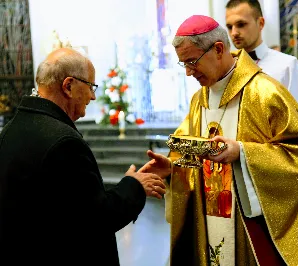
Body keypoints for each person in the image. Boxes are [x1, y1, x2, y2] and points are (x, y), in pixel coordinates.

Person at [158, 14, 298, 266]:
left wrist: (242, 153)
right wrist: (172, 169)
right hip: (210, 219)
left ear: (218, 49)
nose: (188, 72)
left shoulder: (265, 93)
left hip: (251, 228)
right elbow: (188, 150)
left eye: (192, 62)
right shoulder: (200, 100)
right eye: (182, 64)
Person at [0, 48, 171, 266]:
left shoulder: (13, 128)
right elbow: (96, 219)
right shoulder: (63, 141)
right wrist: (134, 185)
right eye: (90, 86)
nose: (92, 96)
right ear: (69, 86)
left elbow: (69, 205)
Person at [225, 0, 298, 132]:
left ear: (260, 23)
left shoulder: (286, 65)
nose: (234, 32)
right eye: (229, 27)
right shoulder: (227, 68)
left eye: (241, 24)